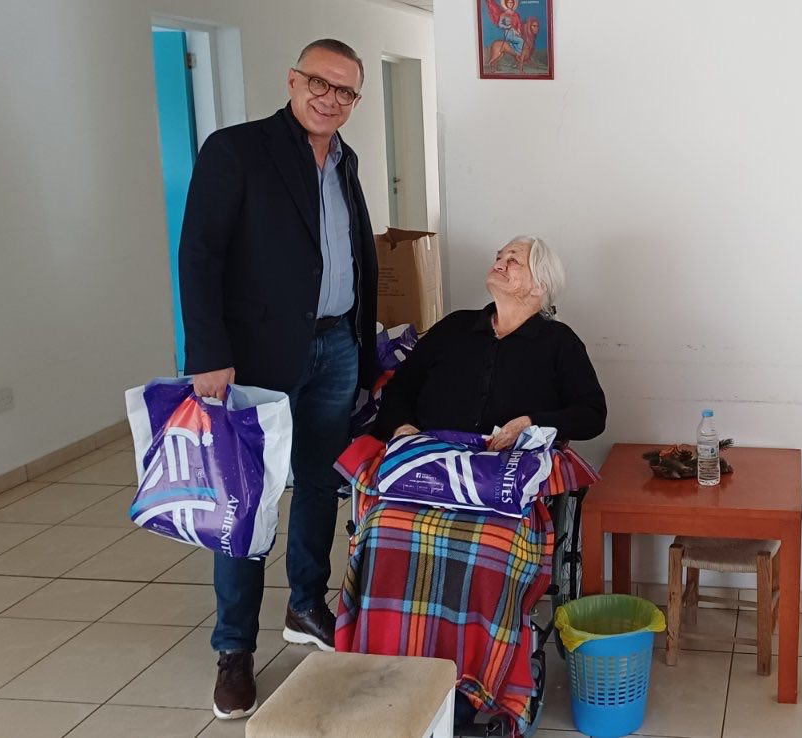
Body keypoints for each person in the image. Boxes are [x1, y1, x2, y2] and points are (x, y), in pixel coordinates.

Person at [178, 38, 380, 720]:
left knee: (321, 484)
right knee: (244, 501)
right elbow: (199, 255)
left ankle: (306, 605)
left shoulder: (346, 161)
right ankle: (234, 649)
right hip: (256, 357)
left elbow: (354, 257)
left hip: (337, 345)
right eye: (320, 82)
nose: (330, 98)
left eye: (345, 91)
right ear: (292, 80)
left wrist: (366, 349)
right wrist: (208, 353)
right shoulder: (236, 150)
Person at [372, 236, 606, 447]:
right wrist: (401, 427)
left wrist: (531, 423)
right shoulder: (453, 326)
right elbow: (400, 388)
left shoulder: (559, 341)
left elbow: (592, 415)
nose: (499, 265)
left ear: (539, 286)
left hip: (510, 471)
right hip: (430, 462)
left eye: (512, 261)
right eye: (498, 258)